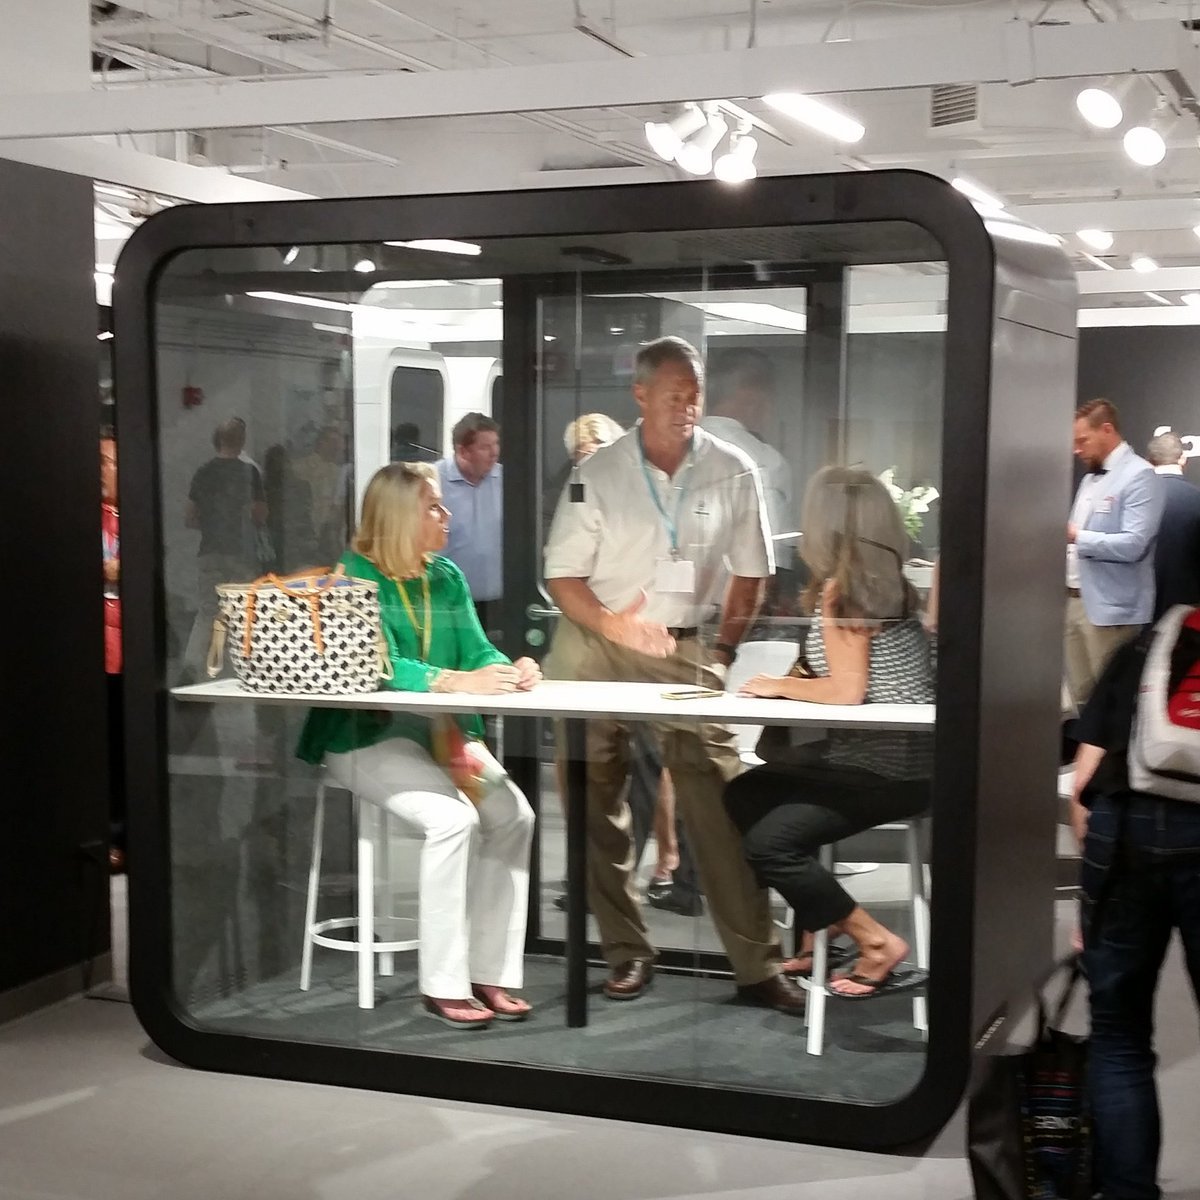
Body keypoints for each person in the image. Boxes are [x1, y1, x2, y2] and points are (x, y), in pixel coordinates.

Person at [543, 335, 804, 1013]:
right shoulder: (598, 472)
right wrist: (614, 627)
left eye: (694, 395)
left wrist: (723, 653)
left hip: (684, 644)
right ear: (640, 395)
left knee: (717, 796)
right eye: (672, 395)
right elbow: (562, 576)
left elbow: (752, 573)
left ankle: (757, 966)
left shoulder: (733, 468)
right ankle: (627, 952)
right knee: (594, 801)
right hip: (596, 639)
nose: (686, 407)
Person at [297, 462, 541, 1028]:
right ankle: (443, 985)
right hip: (365, 737)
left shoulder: (446, 576)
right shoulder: (352, 577)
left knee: (514, 816)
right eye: (433, 506)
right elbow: (376, 665)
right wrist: (453, 681)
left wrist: (510, 669)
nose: (446, 514)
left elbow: (477, 650)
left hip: (441, 735)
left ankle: (489, 971)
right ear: (401, 517)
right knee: (454, 820)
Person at [722, 466, 934, 998]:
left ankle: (875, 941)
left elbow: (846, 692)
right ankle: (822, 921)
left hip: (878, 769)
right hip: (907, 764)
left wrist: (778, 685)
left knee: (769, 845)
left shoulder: (846, 592)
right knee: (745, 794)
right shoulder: (888, 582)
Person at [1069, 625, 1200, 1200]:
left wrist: (1091, 898)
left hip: (1126, 835)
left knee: (1119, 1035)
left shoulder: (1151, 645)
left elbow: (1083, 785)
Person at [1065, 399, 1163, 711]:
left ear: (1107, 430)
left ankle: (1111, 747)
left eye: (1083, 440)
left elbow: (1134, 545)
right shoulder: (1089, 479)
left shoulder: (1140, 475)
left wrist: (1077, 537)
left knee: (1112, 702)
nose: (1076, 450)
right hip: (1073, 601)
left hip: (1112, 610)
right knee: (1082, 697)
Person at [180, 418, 267, 681]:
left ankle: (192, 666)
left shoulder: (203, 472)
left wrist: (211, 524)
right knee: (243, 610)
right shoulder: (249, 473)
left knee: (208, 611)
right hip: (241, 552)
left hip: (209, 550)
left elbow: (189, 517)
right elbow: (260, 515)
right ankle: (245, 667)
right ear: (242, 441)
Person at [701, 349, 793, 566]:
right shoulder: (768, 462)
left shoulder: (675, 449)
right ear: (753, 400)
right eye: (770, 400)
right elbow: (772, 551)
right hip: (741, 582)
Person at [438, 413, 503, 634]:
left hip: (499, 605)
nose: (494, 452)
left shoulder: (508, 481)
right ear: (462, 451)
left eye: (496, 444)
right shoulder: (433, 482)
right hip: (448, 603)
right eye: (485, 447)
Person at [101, 430, 125, 873]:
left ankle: (125, 834)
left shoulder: (134, 515)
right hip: (102, 647)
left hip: (128, 646)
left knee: (125, 745)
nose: (102, 470)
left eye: (109, 461)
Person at [1146, 430, 1200, 621]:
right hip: (1183, 613)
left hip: (1133, 609)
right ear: (1183, 459)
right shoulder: (1197, 499)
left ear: (1150, 461)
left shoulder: (1131, 498)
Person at [294, 426, 350, 565]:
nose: (336, 447)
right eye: (332, 442)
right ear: (320, 442)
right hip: (304, 533)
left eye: (338, 443)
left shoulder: (340, 473)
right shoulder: (299, 468)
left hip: (330, 534)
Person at [263, 443, 317, 575]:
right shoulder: (264, 488)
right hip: (274, 540)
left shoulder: (301, 486)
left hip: (297, 539)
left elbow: (306, 513)